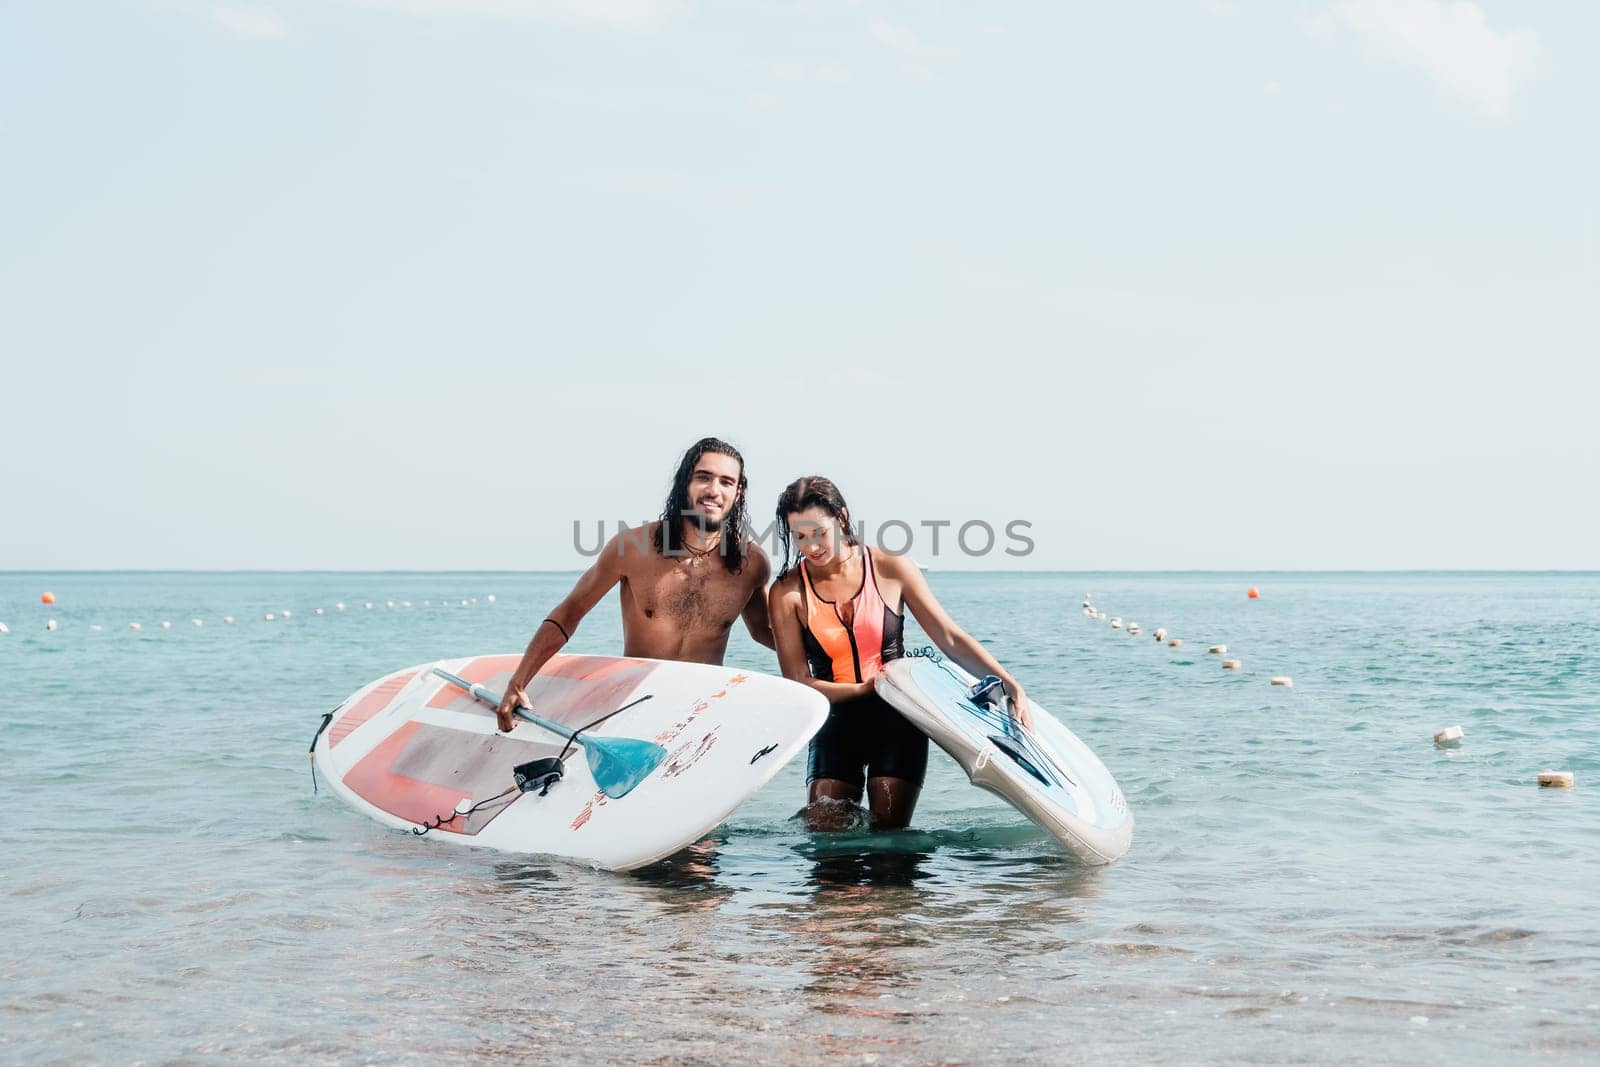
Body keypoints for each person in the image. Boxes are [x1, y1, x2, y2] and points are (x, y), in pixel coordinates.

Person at [767, 476, 1030, 831]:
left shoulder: (889, 567)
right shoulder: (787, 592)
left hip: (898, 718)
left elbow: (949, 637)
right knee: (825, 843)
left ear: (841, 518)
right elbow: (799, 680)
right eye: (799, 536)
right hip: (835, 720)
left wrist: (1010, 683)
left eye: (819, 532)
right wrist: (866, 689)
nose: (811, 546)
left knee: (889, 849)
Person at [493, 437, 774, 731]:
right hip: (639, 703)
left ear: (738, 492)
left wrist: (821, 658)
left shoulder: (750, 564)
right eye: (703, 477)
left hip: (701, 709)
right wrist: (519, 681)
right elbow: (570, 612)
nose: (714, 490)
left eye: (727, 482)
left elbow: (764, 631)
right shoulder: (633, 548)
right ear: (684, 483)